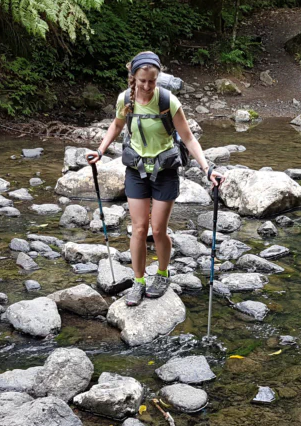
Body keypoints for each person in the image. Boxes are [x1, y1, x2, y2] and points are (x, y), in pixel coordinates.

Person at [87, 51, 223, 306]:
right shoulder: (125, 100)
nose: (147, 86)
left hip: (165, 170)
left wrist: (207, 169)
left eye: (152, 81)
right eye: (142, 81)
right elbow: (116, 126)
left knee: (158, 230)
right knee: (139, 229)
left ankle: (162, 274)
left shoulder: (167, 101)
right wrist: (100, 150)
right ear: (134, 78)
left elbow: (189, 138)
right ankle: (138, 281)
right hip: (137, 170)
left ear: (158, 78)